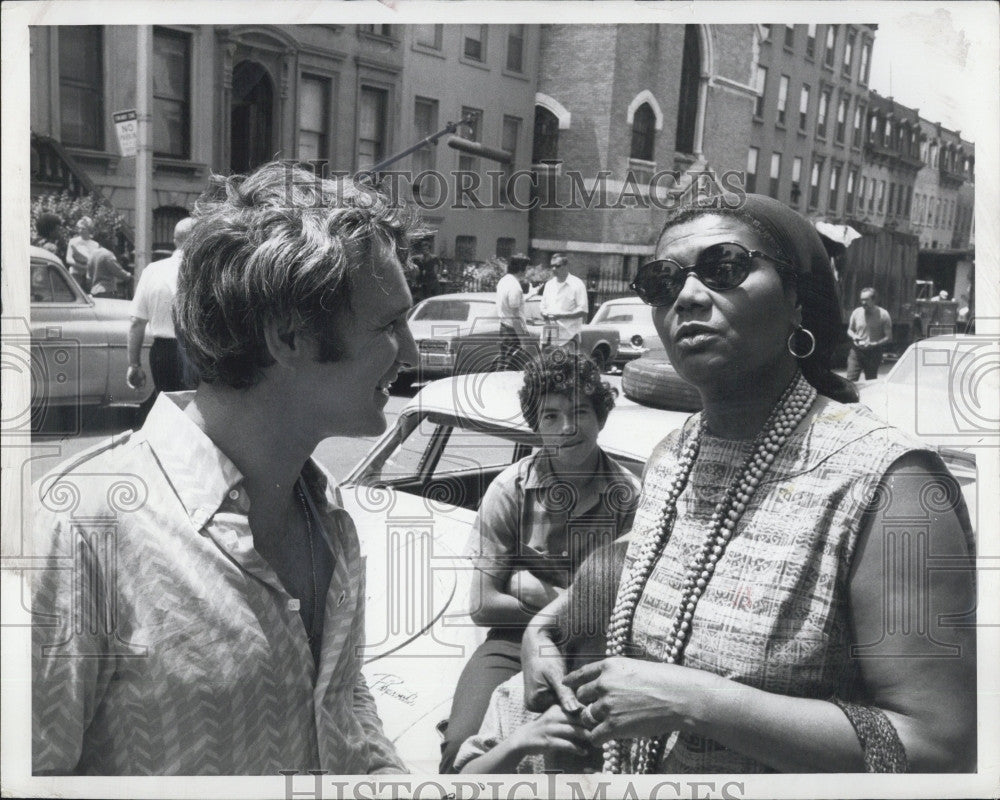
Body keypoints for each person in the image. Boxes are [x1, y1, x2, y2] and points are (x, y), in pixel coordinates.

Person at [521, 194, 976, 773]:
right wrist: (546, 629)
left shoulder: (890, 484)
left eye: (726, 268)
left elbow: (939, 748)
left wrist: (694, 702)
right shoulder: (673, 454)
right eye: (662, 281)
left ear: (796, 300)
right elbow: (646, 573)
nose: (686, 296)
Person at [31, 162, 420, 775]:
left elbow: (336, 698)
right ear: (289, 337)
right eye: (391, 325)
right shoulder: (81, 532)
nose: (413, 352)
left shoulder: (329, 515)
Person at [438, 351, 640, 773]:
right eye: (551, 416)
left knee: (589, 753)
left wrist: (537, 592)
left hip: (595, 648)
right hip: (511, 643)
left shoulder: (630, 497)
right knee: (461, 747)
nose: (567, 428)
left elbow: (630, 604)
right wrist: (576, 600)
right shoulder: (509, 490)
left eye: (580, 411)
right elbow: (481, 605)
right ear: (536, 427)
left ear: (601, 418)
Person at [455, 539, 629, 774]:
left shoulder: (657, 711)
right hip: (521, 640)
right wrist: (518, 744)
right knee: (458, 738)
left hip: (552, 629)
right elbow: (482, 605)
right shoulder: (514, 699)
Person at [127, 217, 197, 421]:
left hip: (162, 353)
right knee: (193, 414)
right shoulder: (203, 270)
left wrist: (134, 364)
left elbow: (136, 322)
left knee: (167, 409)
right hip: (195, 350)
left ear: (175, 241)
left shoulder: (152, 271)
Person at [539, 253, 588, 347]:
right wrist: (544, 313)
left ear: (566, 266)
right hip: (548, 335)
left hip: (568, 336)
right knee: (545, 361)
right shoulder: (549, 285)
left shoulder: (577, 284)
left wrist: (561, 315)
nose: (554, 269)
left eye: (557, 266)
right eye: (552, 266)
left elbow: (583, 310)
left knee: (566, 362)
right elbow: (543, 306)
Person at [846, 287, 893, 382]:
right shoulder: (856, 312)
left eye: (866, 300)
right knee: (850, 381)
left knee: (871, 382)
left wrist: (874, 344)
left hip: (873, 353)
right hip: (856, 352)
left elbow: (889, 337)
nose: (863, 302)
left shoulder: (883, 315)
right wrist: (854, 336)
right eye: (862, 300)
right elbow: (849, 330)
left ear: (874, 300)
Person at [494, 253, 531, 371]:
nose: (526, 271)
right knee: (511, 367)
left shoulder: (503, 281)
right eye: (526, 268)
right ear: (521, 269)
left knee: (504, 363)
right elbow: (515, 317)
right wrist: (522, 340)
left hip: (504, 327)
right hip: (512, 332)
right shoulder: (515, 286)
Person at [65, 216, 101, 291]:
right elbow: (68, 259)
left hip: (89, 276)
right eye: (79, 228)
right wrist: (81, 266)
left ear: (89, 230)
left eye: (83, 228)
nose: (80, 231)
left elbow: (94, 262)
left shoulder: (95, 244)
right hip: (75, 274)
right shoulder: (73, 241)